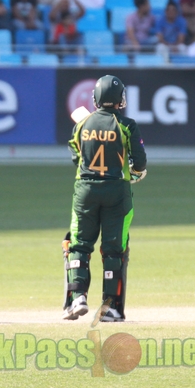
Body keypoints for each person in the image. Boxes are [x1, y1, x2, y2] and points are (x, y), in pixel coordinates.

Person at [63, 75, 147, 322]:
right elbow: (139, 162)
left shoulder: (81, 124)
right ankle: (110, 308)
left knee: (79, 245)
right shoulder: (127, 125)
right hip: (116, 192)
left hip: (86, 191)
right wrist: (134, 173)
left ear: (96, 99)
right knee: (113, 250)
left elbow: (76, 157)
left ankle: (77, 297)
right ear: (119, 99)